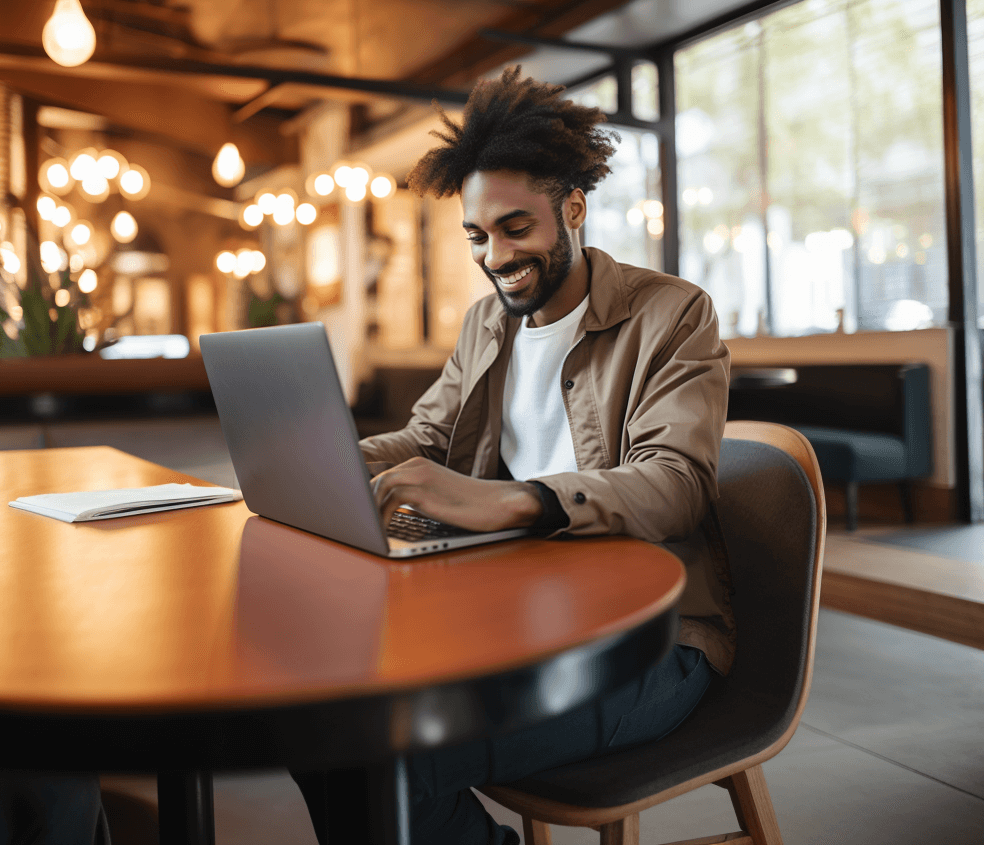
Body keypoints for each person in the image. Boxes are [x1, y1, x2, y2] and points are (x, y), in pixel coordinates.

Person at [292, 66, 734, 845]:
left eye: (514, 227)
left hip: (652, 642)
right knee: (320, 728)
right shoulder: (484, 325)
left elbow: (677, 486)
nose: (495, 255)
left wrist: (518, 499)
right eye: (477, 235)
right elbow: (427, 437)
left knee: (372, 761)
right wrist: (324, 458)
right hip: (522, 617)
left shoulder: (672, 313)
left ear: (572, 207)